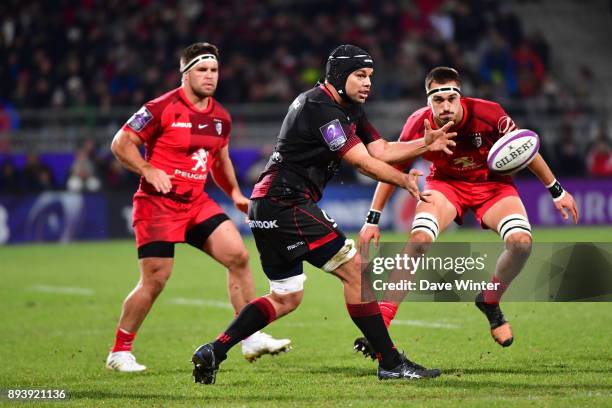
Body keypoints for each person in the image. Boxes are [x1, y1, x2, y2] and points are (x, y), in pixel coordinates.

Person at [191, 45, 458, 384]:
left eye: (370, 77)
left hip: (267, 204)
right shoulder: (321, 107)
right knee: (357, 273)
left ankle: (214, 350)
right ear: (338, 75)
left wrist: (424, 145)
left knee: (286, 296)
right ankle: (390, 362)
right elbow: (361, 161)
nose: (367, 84)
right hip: (286, 201)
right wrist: (404, 179)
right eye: (360, 75)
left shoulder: (349, 108)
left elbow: (381, 150)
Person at [355, 67, 579, 358]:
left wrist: (557, 191)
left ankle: (490, 300)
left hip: (493, 185)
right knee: (419, 240)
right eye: (438, 100)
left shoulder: (489, 113)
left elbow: (525, 149)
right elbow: (391, 169)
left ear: (460, 95)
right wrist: (373, 219)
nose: (445, 106)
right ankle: (381, 325)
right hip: (445, 185)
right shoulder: (418, 124)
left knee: (521, 244)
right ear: (428, 101)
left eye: (451, 98)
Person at [106, 42, 291, 372]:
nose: (209, 76)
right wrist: (148, 169)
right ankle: (120, 351)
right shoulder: (161, 108)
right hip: (157, 204)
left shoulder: (220, 117)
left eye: (214, 70)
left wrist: (234, 192)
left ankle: (251, 337)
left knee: (238, 255)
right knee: (155, 280)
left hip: (195, 203)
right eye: (202, 70)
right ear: (185, 74)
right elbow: (121, 143)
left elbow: (220, 159)